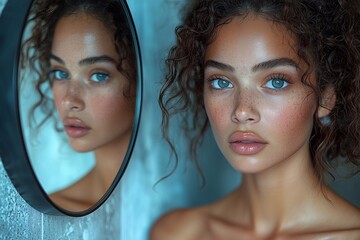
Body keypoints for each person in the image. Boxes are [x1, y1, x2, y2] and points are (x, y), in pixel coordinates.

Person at [152, 0, 360, 239]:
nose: (241, 111)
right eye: (222, 82)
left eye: (276, 81)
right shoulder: (177, 233)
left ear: (325, 98)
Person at [21, 0, 136, 211]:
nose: (69, 100)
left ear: (139, 77)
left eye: (99, 75)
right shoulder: (55, 211)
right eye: (60, 73)